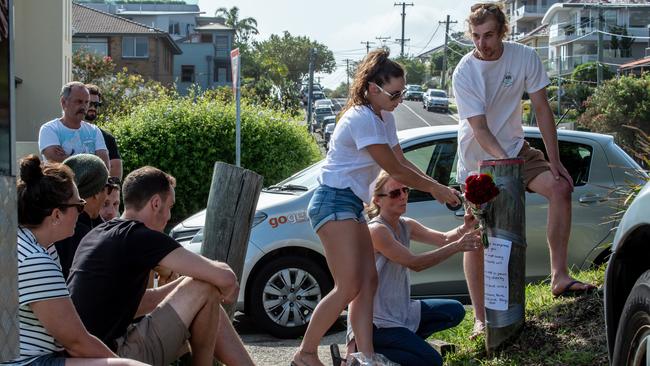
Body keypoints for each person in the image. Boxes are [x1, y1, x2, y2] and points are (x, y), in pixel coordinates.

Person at [293, 49, 461, 366]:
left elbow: (402, 161)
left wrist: (435, 185)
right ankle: (305, 353)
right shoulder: (360, 118)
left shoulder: (384, 117)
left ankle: (365, 356)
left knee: (369, 281)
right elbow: (393, 170)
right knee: (348, 286)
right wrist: (435, 189)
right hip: (332, 202)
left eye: (402, 93)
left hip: (351, 204)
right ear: (373, 88)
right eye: (395, 94)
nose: (400, 99)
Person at [452, 2, 597, 337]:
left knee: (561, 187)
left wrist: (555, 160)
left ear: (503, 30)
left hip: (517, 149)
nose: (482, 43)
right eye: (475, 36)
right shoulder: (464, 71)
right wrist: (507, 168)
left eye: (488, 35)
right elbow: (480, 128)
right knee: (475, 232)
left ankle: (559, 276)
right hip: (479, 159)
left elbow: (543, 110)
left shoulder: (524, 57)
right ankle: (479, 318)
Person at [67, 166, 254, 366]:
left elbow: (137, 304)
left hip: (86, 355)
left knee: (200, 288)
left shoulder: (98, 234)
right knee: (204, 286)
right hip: (114, 355)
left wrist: (184, 283)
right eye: (170, 206)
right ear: (156, 203)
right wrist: (207, 282)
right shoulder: (140, 236)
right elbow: (225, 277)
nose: (169, 216)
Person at [5, 154, 145, 366]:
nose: (81, 212)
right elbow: (76, 343)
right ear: (56, 215)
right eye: (78, 205)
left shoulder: (21, 242)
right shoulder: (35, 260)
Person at [346, 172, 481, 366]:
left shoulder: (405, 224)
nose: (403, 196)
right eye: (394, 193)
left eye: (405, 190)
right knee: (432, 361)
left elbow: (442, 238)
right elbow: (415, 263)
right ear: (377, 200)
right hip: (379, 322)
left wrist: (465, 228)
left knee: (455, 311)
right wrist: (459, 246)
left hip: (402, 311)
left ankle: (403, 346)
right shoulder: (377, 230)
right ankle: (365, 355)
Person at [53, 154, 116, 279]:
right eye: (108, 188)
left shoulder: (54, 224)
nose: (107, 196)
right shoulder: (77, 234)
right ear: (96, 193)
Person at [38, 82, 110, 169]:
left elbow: (104, 166)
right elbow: (57, 163)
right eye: (79, 102)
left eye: (86, 102)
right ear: (63, 102)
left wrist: (68, 158)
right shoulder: (49, 129)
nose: (83, 106)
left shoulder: (94, 131)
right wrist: (93, 163)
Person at [85, 84, 122, 180]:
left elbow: (115, 173)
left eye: (96, 105)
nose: (93, 108)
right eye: (89, 103)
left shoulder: (107, 138)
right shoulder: (61, 130)